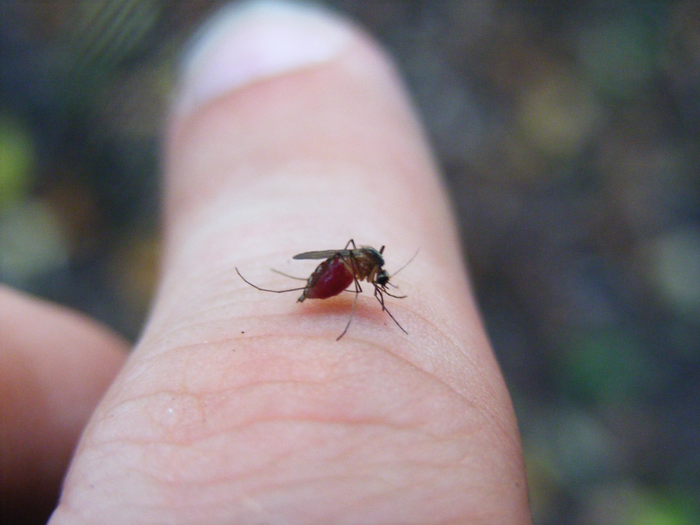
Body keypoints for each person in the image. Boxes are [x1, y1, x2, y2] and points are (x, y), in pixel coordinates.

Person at [1, 2, 532, 523]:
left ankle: (303, 288)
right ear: (374, 268)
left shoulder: (365, 266)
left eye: (376, 278)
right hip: (331, 271)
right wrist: (338, 287)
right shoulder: (360, 267)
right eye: (379, 278)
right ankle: (301, 290)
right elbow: (353, 270)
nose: (379, 283)